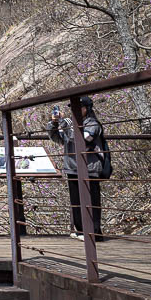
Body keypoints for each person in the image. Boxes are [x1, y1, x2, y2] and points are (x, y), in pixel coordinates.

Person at [46, 96, 105, 241]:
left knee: (92, 201)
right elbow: (57, 138)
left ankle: (94, 232)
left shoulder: (93, 124)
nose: (74, 110)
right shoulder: (71, 125)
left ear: (87, 108)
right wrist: (53, 124)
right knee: (76, 201)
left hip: (89, 168)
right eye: (72, 107)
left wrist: (66, 123)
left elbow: (82, 139)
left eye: (79, 107)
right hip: (72, 168)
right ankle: (80, 231)